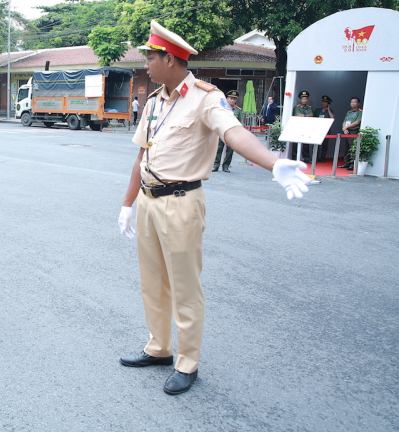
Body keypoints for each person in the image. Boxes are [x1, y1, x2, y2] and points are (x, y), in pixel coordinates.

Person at [117, 20, 310, 395]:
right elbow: (141, 157)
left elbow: (234, 133)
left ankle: (187, 362)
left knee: (184, 287)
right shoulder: (154, 102)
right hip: (148, 203)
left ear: (169, 59)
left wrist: (273, 163)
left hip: (181, 203)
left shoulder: (207, 98)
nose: (146, 64)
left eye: (151, 58)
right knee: (152, 282)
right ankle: (159, 347)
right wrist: (127, 204)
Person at [213, 90, 244, 172]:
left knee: (230, 150)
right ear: (227, 99)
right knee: (218, 148)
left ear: (236, 100)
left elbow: (239, 121)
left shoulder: (238, 110)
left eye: (234, 99)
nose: (232, 100)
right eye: (230, 98)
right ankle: (216, 165)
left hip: (232, 132)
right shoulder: (221, 108)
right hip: (222, 131)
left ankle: (226, 166)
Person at [338, 97, 363, 171]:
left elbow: (357, 122)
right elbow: (344, 121)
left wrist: (347, 127)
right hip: (347, 131)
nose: (353, 103)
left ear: (358, 103)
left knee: (352, 148)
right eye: (352, 102)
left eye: (355, 102)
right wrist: (344, 128)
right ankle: (347, 162)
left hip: (353, 131)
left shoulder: (360, 112)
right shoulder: (349, 112)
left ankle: (352, 163)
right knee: (346, 148)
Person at [292, 90, 314, 162]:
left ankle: (306, 158)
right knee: (296, 143)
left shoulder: (309, 107)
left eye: (305, 98)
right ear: (300, 100)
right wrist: (306, 116)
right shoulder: (297, 107)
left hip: (306, 127)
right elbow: (298, 116)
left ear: (307, 100)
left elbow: (311, 115)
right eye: (302, 99)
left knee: (306, 143)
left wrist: (304, 115)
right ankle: (295, 157)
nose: (304, 100)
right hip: (298, 127)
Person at [313, 95, 334, 163]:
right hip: (318, 129)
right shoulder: (318, 110)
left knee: (324, 144)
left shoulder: (330, 111)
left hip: (326, 129)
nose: (323, 103)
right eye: (323, 102)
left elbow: (332, 117)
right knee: (316, 144)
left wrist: (328, 109)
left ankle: (322, 158)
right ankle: (315, 157)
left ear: (328, 104)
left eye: (325, 102)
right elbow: (313, 118)